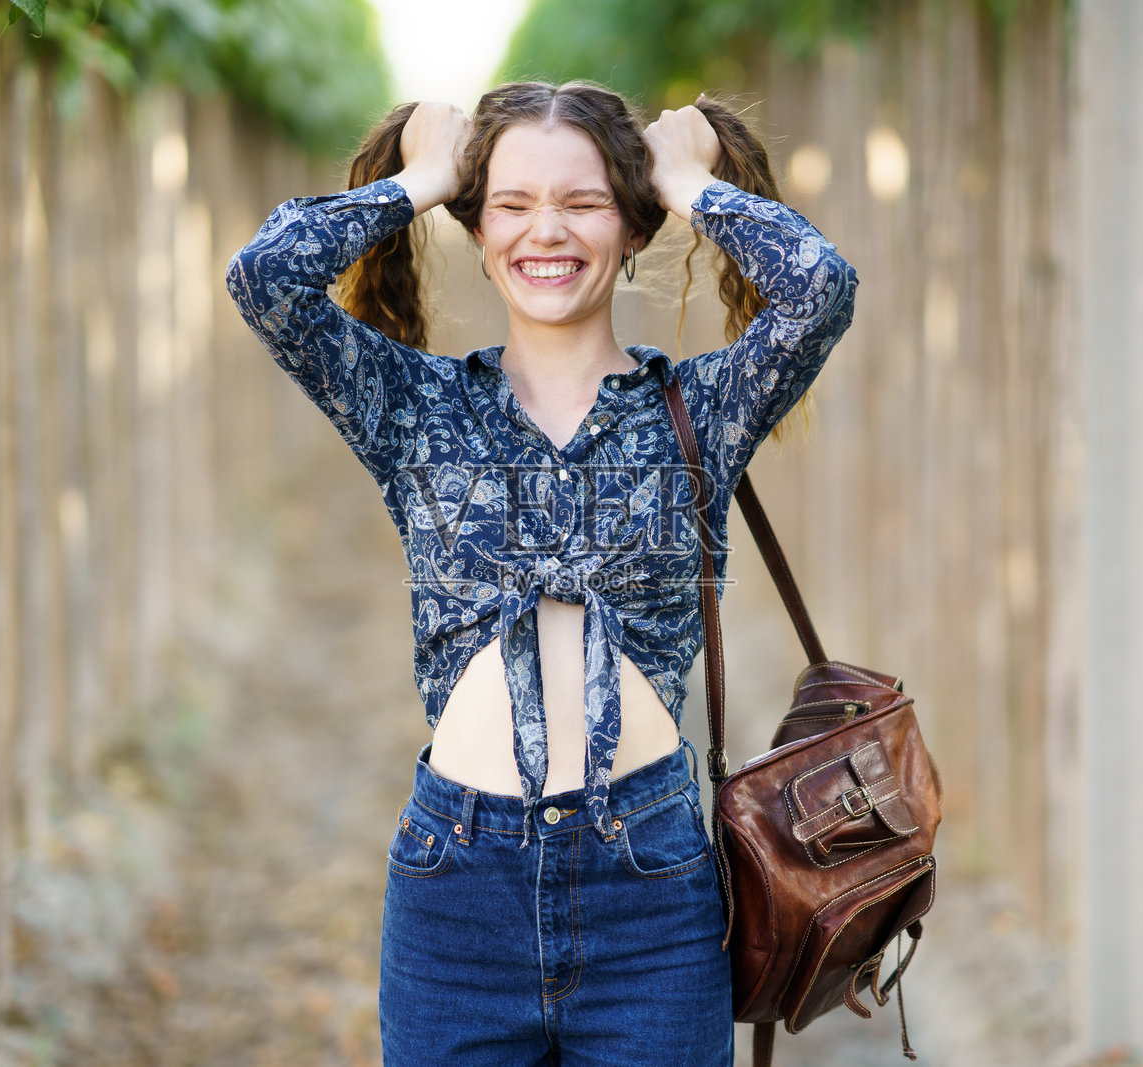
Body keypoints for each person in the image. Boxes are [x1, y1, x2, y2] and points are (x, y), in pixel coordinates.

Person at [225, 80, 857, 1066]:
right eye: (512, 204)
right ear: (476, 228)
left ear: (632, 226)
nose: (544, 231)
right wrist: (426, 176)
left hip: (650, 890)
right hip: (456, 891)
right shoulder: (415, 406)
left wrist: (689, 184)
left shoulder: (701, 407)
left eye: (584, 201)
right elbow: (262, 276)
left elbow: (822, 286)